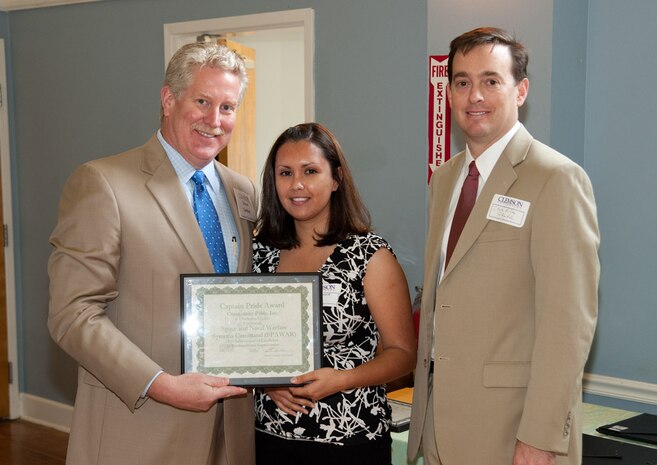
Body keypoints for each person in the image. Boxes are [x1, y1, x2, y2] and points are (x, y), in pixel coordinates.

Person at [47, 42, 258, 465]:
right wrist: (160, 383)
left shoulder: (243, 191)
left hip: (230, 433)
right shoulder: (103, 183)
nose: (214, 121)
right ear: (168, 99)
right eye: (202, 101)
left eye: (228, 107)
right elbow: (72, 313)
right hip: (141, 429)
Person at [407, 27, 600, 465]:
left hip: (513, 434)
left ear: (521, 91)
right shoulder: (445, 179)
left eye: (491, 81)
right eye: (462, 82)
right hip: (438, 425)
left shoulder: (556, 179)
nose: (475, 95)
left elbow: (568, 326)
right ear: (450, 94)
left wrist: (540, 439)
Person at [252, 123, 416, 465]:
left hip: (350, 440)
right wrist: (266, 381)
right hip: (268, 436)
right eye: (285, 173)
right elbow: (245, 343)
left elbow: (403, 354)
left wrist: (341, 380)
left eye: (310, 171)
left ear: (336, 179)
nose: (297, 184)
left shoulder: (369, 255)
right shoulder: (258, 254)